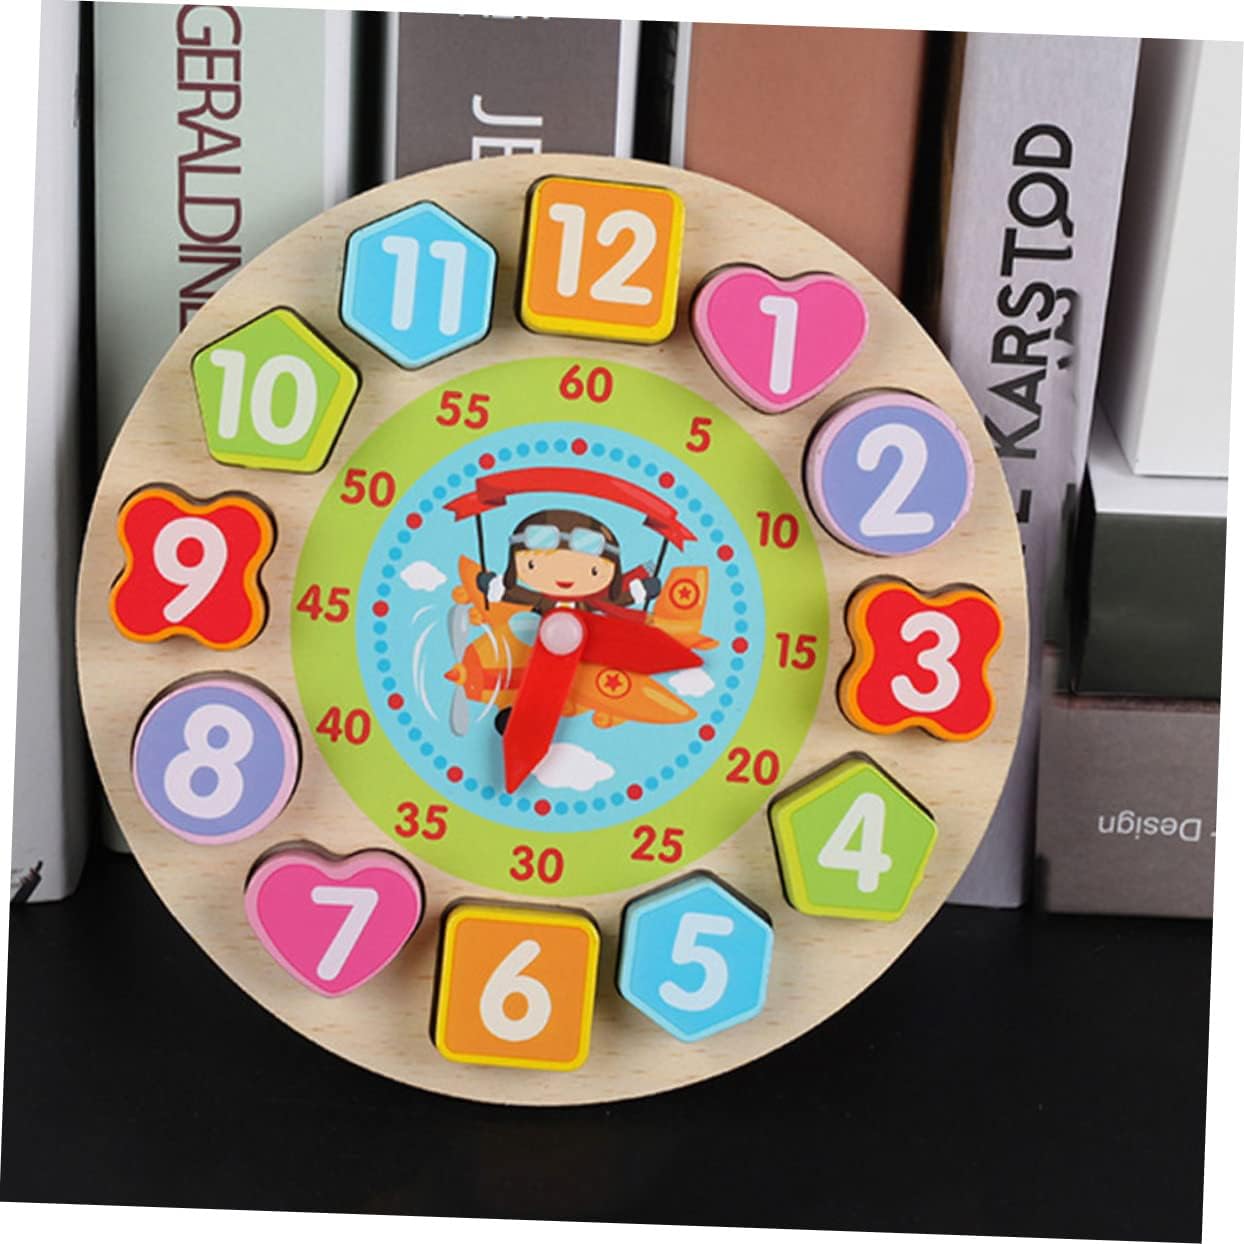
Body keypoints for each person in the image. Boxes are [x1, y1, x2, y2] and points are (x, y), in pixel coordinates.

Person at [477, 508, 662, 616]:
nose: (565, 575)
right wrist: (494, 587)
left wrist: (641, 591)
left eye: (594, 571)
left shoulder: (590, 602)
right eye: (532, 565)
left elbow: (614, 602)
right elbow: (518, 594)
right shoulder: (542, 601)